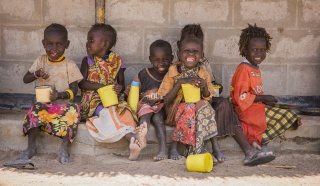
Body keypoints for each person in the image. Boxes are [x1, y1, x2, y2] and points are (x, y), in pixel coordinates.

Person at [176, 24, 274, 166]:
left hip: (204, 100)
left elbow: (211, 86)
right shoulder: (176, 67)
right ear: (180, 46)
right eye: (188, 46)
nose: (192, 51)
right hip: (186, 106)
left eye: (197, 46)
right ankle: (243, 149)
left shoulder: (204, 64)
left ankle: (249, 150)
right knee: (219, 106)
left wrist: (215, 88)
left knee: (225, 104)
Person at [78, 23, 147, 161]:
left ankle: (134, 142)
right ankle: (133, 138)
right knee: (109, 114)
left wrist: (119, 88)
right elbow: (81, 83)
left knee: (125, 111)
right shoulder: (88, 60)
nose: (87, 43)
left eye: (91, 40)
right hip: (92, 102)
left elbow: (121, 84)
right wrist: (99, 86)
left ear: (104, 44)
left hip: (112, 100)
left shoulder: (117, 61)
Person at [230, 23, 301, 156]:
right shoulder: (244, 69)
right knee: (289, 116)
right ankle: (256, 139)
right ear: (245, 50)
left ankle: (257, 141)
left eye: (262, 49)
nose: (259, 53)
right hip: (246, 111)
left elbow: (253, 92)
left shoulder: (254, 67)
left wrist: (264, 101)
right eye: (254, 49)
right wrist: (264, 98)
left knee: (287, 115)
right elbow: (241, 97)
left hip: (255, 107)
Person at [20, 23, 83, 164]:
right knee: (34, 110)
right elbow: (25, 79)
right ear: (43, 44)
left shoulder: (70, 64)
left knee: (74, 111)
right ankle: (30, 148)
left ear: (67, 44)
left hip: (63, 107)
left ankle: (64, 149)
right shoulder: (40, 61)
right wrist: (36, 74)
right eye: (49, 44)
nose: (54, 49)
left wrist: (59, 95)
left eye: (59, 44)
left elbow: (74, 90)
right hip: (45, 107)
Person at [158, 37, 220, 160]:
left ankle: (212, 147)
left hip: (196, 110)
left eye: (195, 51)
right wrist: (179, 83)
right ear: (179, 54)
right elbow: (165, 101)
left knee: (205, 107)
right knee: (189, 106)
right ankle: (174, 147)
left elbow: (209, 100)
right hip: (173, 111)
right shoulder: (173, 71)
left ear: (201, 55)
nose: (191, 54)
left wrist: (204, 88)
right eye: (186, 51)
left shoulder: (203, 73)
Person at [128, 39, 173, 161]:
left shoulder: (171, 75)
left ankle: (163, 149)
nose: (161, 63)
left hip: (161, 106)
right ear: (150, 59)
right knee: (145, 116)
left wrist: (161, 100)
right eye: (156, 60)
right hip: (146, 105)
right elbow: (133, 89)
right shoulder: (144, 74)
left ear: (172, 58)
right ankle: (141, 139)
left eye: (165, 59)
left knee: (158, 119)